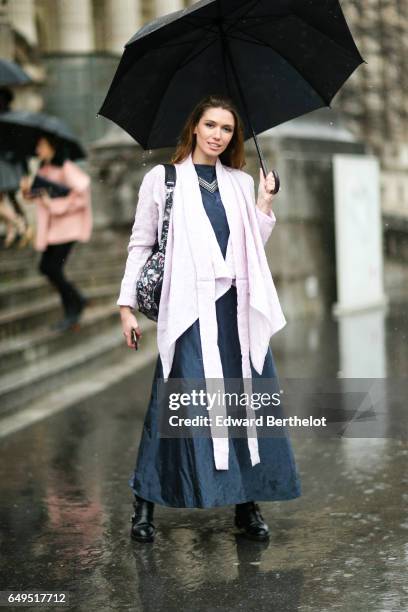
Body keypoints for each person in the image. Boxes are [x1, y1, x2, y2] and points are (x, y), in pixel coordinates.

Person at [118, 95, 302, 543]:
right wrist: (126, 306)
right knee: (175, 404)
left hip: (235, 308)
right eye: (211, 125)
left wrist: (263, 202)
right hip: (188, 309)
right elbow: (141, 246)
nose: (219, 135)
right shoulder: (161, 180)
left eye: (226, 128)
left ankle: (247, 505)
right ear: (194, 128)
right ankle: (145, 502)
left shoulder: (239, 182)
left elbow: (250, 249)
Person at [20, 134, 93, 331]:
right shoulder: (44, 169)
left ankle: (73, 310)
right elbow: (39, 196)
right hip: (54, 230)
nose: (38, 150)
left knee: (51, 268)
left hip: (68, 228)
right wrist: (27, 191)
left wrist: (54, 205)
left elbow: (82, 194)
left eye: (42, 146)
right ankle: (77, 300)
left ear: (53, 147)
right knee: (47, 268)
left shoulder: (66, 167)